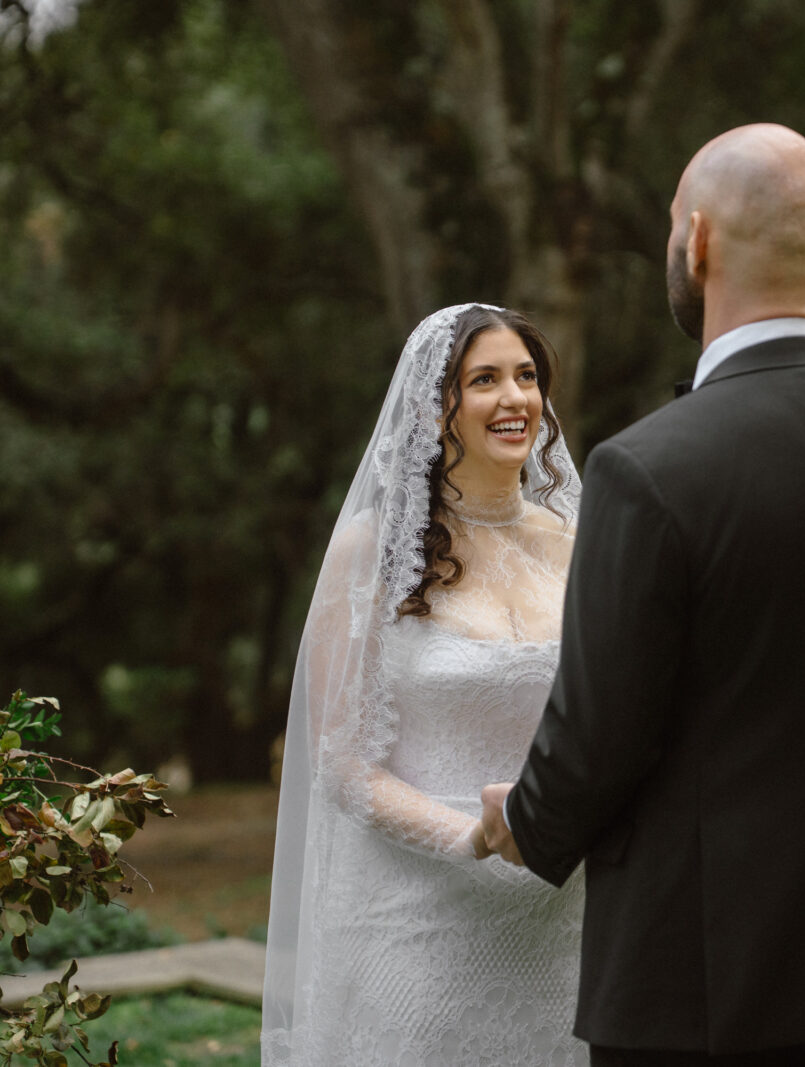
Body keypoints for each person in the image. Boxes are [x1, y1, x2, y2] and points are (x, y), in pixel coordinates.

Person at [475, 124, 805, 1066]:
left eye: (672, 224)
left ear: (697, 240)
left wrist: (527, 819)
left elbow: (599, 730)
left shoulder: (646, 467)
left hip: (694, 979)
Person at [261, 304, 586, 1066]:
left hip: (561, 915)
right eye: (485, 380)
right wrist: (469, 837)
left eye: (527, 377)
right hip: (418, 923)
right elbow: (340, 761)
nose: (516, 399)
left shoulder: (578, 544)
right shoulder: (369, 554)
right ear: (436, 406)